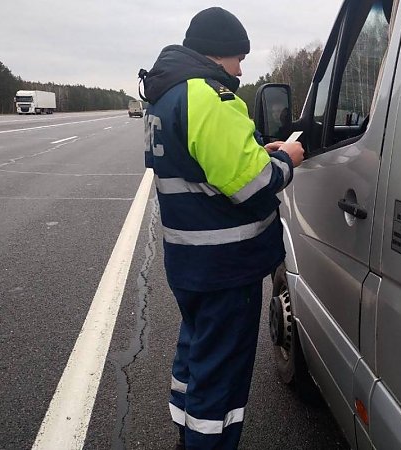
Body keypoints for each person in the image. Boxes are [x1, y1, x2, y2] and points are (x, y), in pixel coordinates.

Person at [137, 7, 305, 450]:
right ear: (218, 53)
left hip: (190, 262)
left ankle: (186, 432)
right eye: (238, 58)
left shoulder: (166, 96)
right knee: (222, 378)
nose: (240, 70)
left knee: (195, 356)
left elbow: (202, 167)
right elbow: (253, 185)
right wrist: (287, 159)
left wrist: (256, 151)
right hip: (227, 267)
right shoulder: (210, 96)